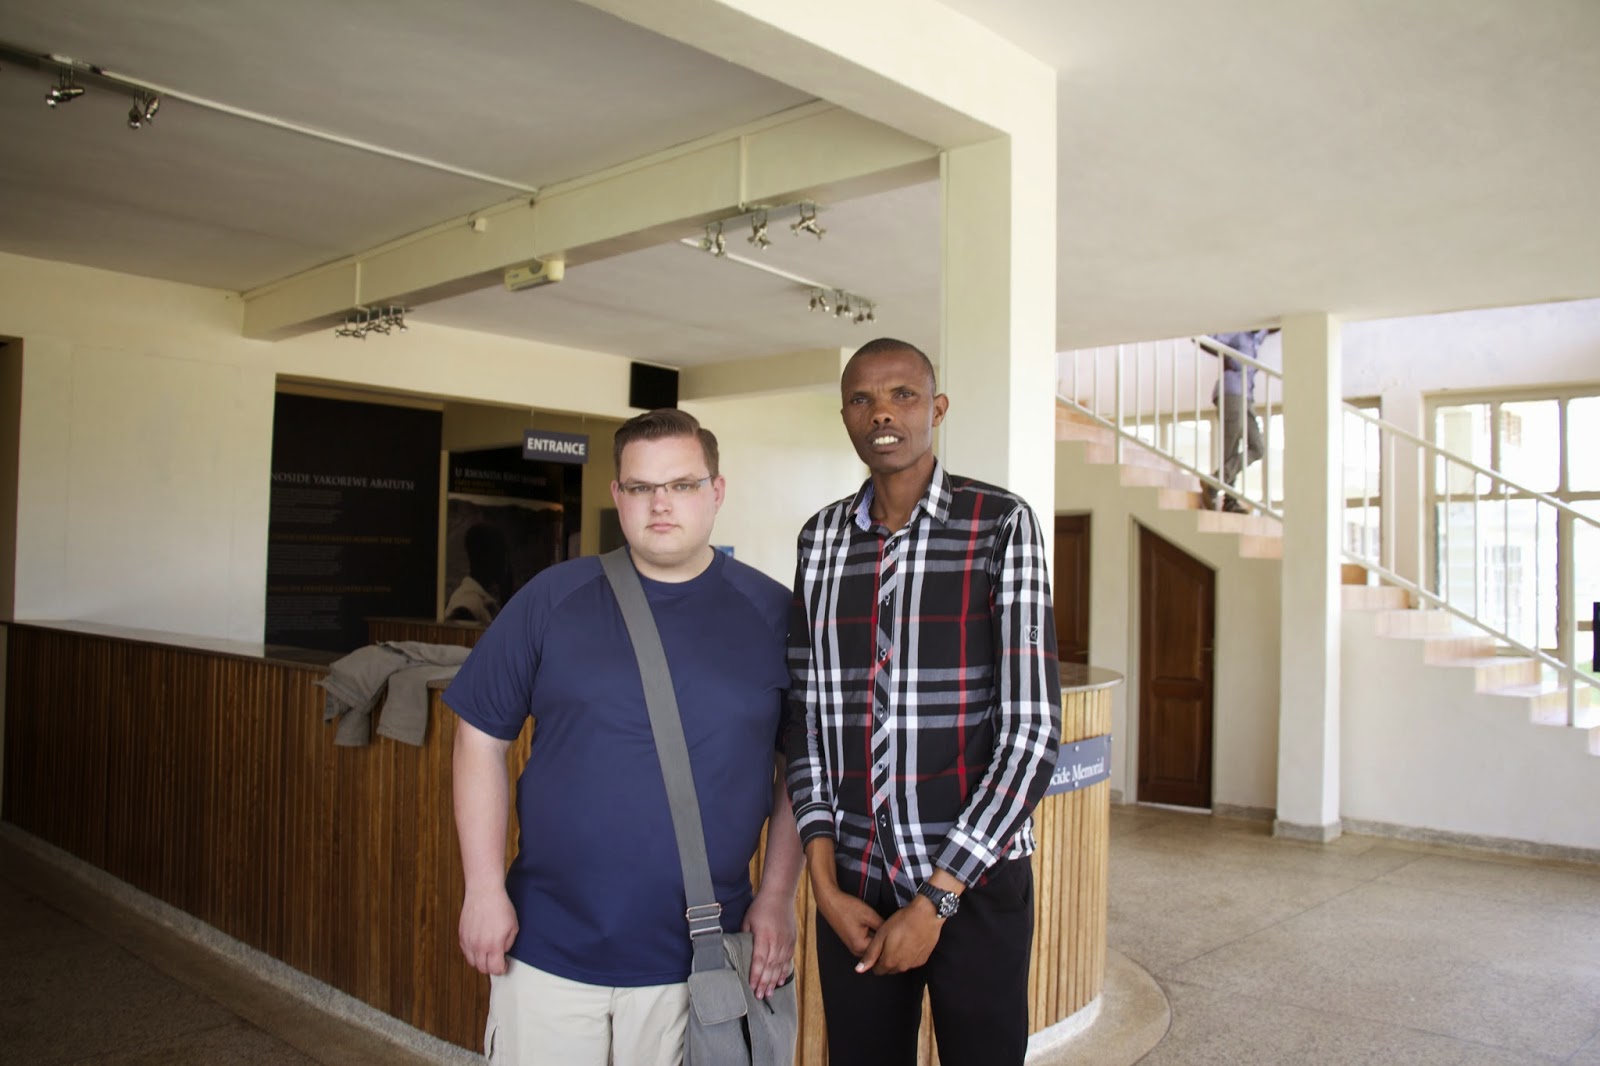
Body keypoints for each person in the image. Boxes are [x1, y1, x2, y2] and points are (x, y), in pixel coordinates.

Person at [446, 408, 803, 1066]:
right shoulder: (554, 598)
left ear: (716, 491)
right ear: (617, 496)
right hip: (547, 946)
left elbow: (802, 775)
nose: (660, 504)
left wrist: (778, 896)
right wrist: (483, 888)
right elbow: (479, 737)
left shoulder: (775, 615)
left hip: (698, 957)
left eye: (682, 485)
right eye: (640, 488)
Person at [784, 338, 1062, 1066]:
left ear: (936, 409)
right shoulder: (820, 541)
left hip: (974, 881)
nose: (882, 412)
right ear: (844, 415)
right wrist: (823, 883)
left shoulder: (1000, 524)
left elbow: (1031, 734)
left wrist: (938, 897)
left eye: (903, 394)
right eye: (862, 398)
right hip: (855, 889)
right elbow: (806, 721)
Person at [1199, 328, 1277, 513]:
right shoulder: (1237, 334)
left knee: (1257, 447)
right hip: (1231, 391)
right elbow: (1206, 340)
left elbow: (1272, 326)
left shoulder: (1258, 335)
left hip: (1247, 396)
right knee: (1231, 447)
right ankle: (1229, 500)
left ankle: (1216, 482)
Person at [444, 522, 512, 624]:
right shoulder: (468, 604)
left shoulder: (482, 600)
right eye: (500, 554)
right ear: (484, 557)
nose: (505, 563)